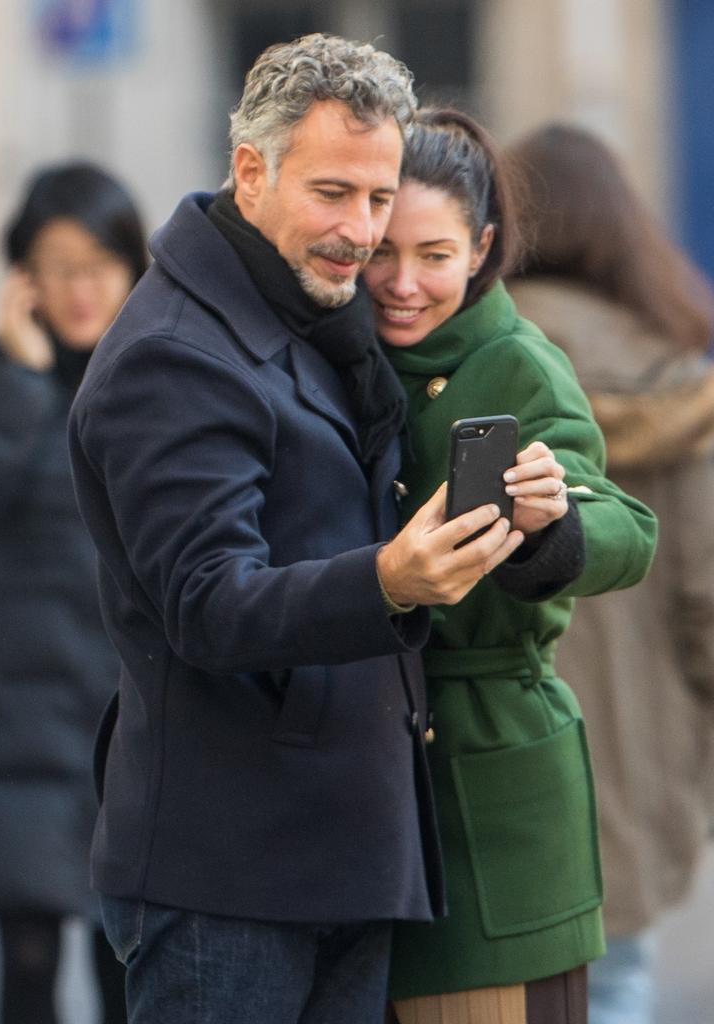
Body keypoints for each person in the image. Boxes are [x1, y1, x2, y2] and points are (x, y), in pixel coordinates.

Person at [66, 34, 601, 1024]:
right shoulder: (178, 354)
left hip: (337, 862)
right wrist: (391, 580)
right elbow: (209, 603)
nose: (361, 231)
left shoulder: (307, 306)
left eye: (378, 195)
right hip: (229, 875)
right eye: (332, 193)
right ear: (250, 172)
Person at [361, 108, 658, 1024]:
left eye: (436, 255)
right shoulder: (335, 349)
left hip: (486, 784)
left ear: (483, 247)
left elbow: (627, 531)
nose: (403, 284)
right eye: (383, 251)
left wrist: (548, 523)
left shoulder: (520, 364)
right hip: (359, 789)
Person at [506, 122, 714, 1024]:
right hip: (634, 760)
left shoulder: (476, 357)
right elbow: (708, 600)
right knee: (618, 982)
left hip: (489, 747)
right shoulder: (679, 382)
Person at [0, 161, 146, 1024]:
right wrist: (23, 384)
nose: (80, 288)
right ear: (23, 273)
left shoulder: (157, 381)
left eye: (99, 262)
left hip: (124, 714)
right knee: (25, 963)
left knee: (125, 960)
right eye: (57, 263)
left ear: (134, 270)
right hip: (13, 718)